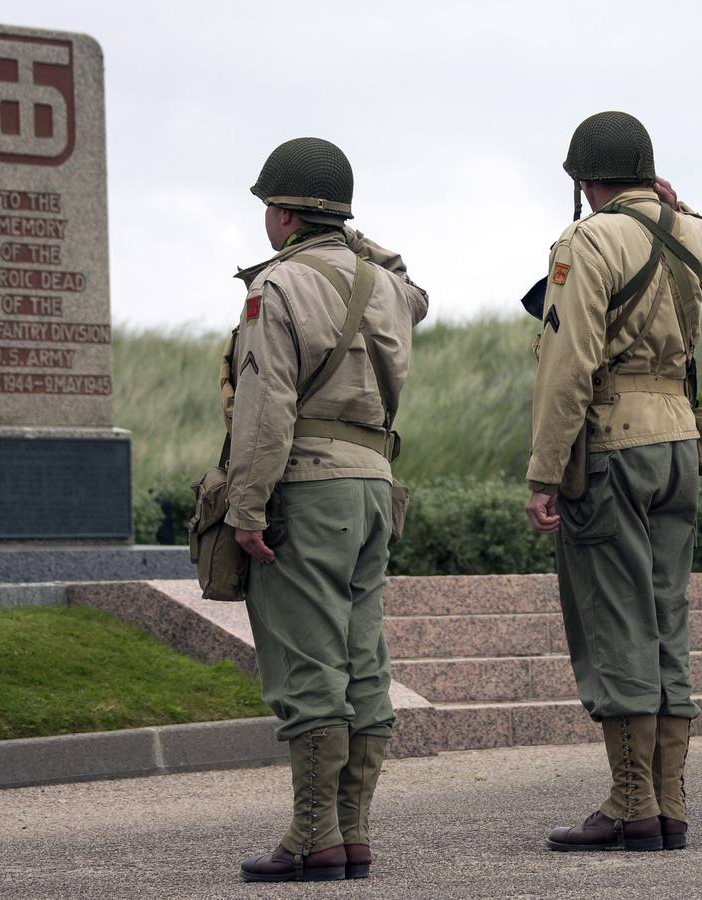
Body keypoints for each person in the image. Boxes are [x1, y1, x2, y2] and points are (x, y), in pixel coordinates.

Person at [526, 111, 702, 852]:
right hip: (680, 441)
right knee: (664, 614)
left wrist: (546, 472)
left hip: (611, 444)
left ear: (584, 181)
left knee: (613, 618)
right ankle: (669, 801)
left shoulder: (587, 239)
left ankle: (631, 801)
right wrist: (679, 208)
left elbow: (567, 365)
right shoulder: (688, 234)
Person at [227, 137, 428, 881]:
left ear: (280, 213)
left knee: (309, 664)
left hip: (306, 488)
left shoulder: (275, 287)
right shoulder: (384, 286)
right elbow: (416, 288)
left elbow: (264, 407)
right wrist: (354, 234)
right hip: (375, 485)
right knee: (362, 660)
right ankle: (352, 833)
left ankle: (313, 836)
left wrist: (246, 507)